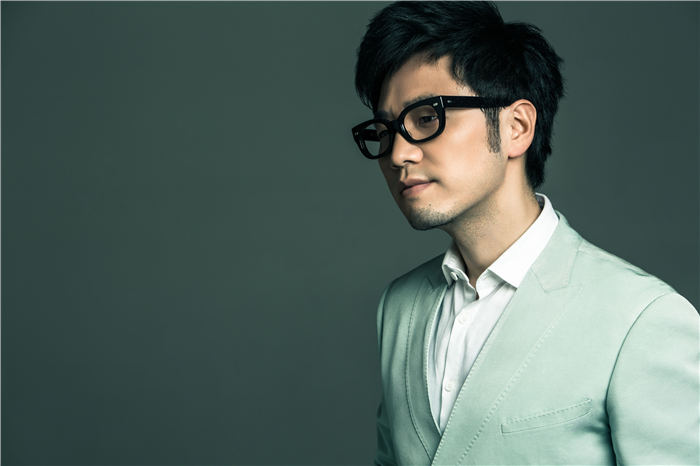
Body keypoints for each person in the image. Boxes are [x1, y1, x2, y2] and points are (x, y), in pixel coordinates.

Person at [350, 2, 699, 465]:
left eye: (427, 118)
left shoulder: (642, 319)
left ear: (517, 127)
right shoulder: (399, 307)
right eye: (385, 131)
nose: (398, 154)